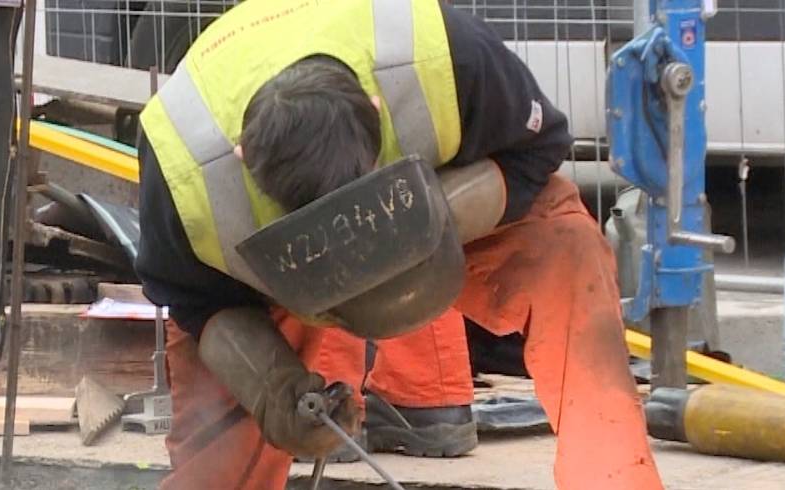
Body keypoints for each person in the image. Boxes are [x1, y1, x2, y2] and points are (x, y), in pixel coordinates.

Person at [132, 0, 664, 489]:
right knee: (217, 458)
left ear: (375, 106)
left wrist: (425, 225)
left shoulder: (447, 59)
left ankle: (614, 478)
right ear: (244, 156)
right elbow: (194, 300)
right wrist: (275, 391)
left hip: (429, 206)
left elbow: (537, 150)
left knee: (567, 249)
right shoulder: (181, 167)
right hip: (274, 275)